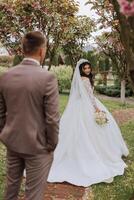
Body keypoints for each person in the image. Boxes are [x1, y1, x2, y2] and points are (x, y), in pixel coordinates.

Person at [48, 59, 129, 187]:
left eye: (88, 68)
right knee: (91, 129)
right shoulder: (85, 80)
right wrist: (96, 108)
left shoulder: (80, 79)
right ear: (81, 70)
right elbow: (90, 96)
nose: (87, 70)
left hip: (78, 105)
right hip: (87, 105)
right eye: (85, 68)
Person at [0, 31, 60, 200]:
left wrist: (5, 134)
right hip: (38, 147)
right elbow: (52, 119)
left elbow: (1, 113)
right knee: (33, 194)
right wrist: (51, 144)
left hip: (12, 142)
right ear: (42, 51)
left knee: (10, 191)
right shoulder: (47, 78)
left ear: (23, 48)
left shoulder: (6, 76)